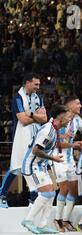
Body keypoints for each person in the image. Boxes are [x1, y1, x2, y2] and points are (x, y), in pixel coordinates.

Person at [21, 105, 72, 234]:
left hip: (41, 165)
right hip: (31, 165)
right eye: (67, 116)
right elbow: (35, 150)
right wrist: (53, 159)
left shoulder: (54, 130)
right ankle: (29, 220)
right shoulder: (48, 130)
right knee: (47, 193)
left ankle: (42, 225)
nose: (69, 119)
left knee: (52, 193)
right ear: (60, 117)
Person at [0, 73, 47, 208]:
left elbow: (44, 118)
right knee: (16, 166)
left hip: (37, 133)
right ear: (27, 83)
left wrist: (31, 114)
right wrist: (36, 116)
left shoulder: (39, 97)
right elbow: (23, 121)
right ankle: (2, 195)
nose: (38, 87)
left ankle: (33, 200)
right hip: (22, 135)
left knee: (34, 165)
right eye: (36, 84)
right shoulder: (17, 98)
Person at [53, 96, 82, 232]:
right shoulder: (59, 119)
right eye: (78, 103)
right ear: (70, 105)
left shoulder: (77, 120)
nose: (80, 106)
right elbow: (56, 142)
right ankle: (58, 219)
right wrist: (75, 144)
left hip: (70, 160)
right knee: (64, 188)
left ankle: (66, 219)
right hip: (58, 157)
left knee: (74, 190)